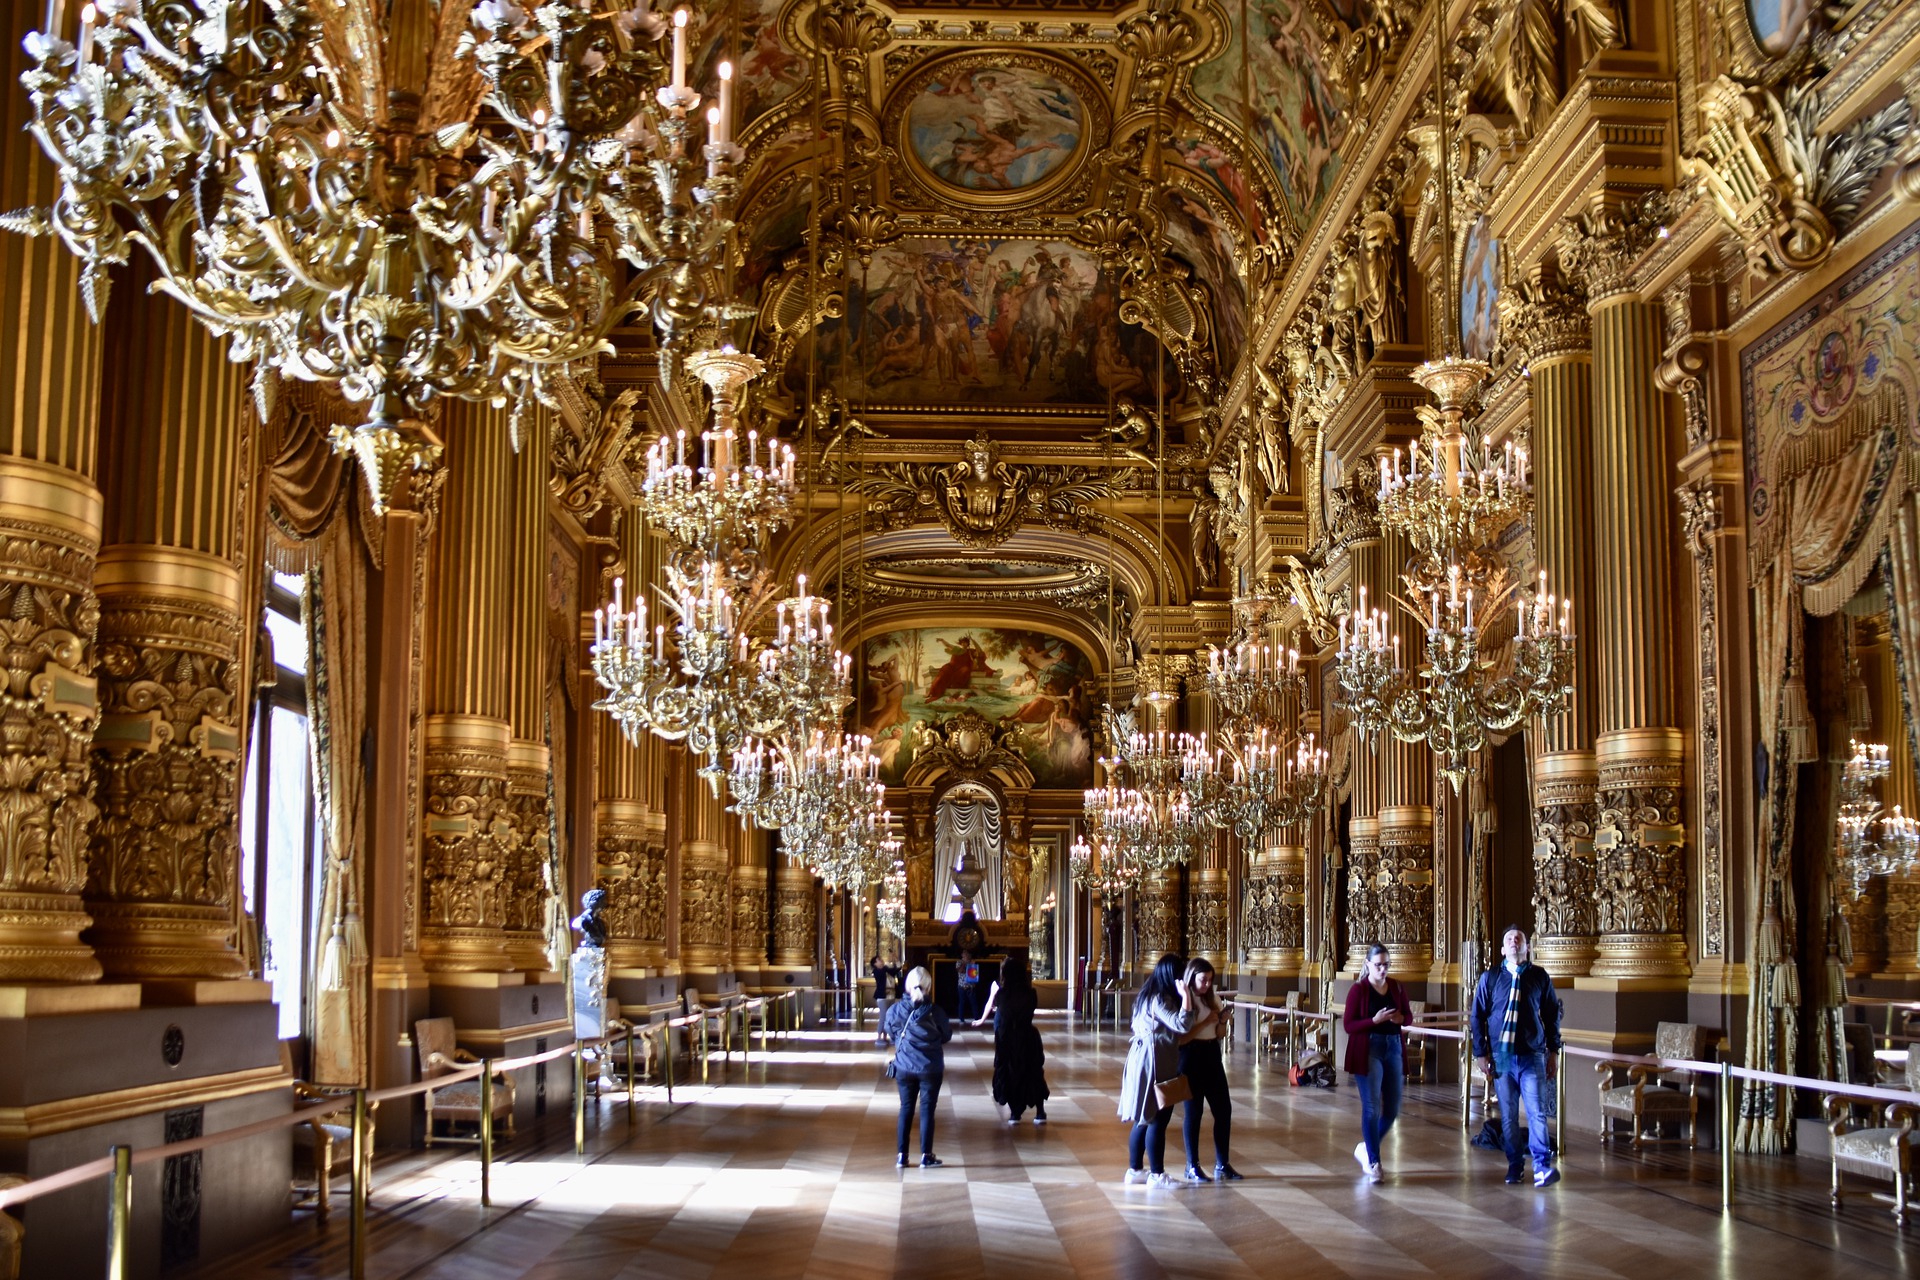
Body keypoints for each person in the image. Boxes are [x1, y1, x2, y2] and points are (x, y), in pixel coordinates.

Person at [1469, 924, 1564, 1187]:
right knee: (1509, 1115)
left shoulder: (1540, 977)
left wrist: (1553, 1051)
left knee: (1536, 1113)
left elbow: (1551, 1016)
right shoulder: (1490, 979)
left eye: (1519, 939)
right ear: (1502, 949)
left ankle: (1542, 1166)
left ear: (1527, 947)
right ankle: (1515, 1165)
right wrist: (1480, 1053)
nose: (1514, 942)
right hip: (1502, 1057)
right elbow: (1477, 1017)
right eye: (1509, 939)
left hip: (1532, 1055)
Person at [1118, 953, 1197, 1189]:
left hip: (1145, 1060)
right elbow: (1181, 1024)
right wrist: (1186, 998)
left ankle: (1135, 1170)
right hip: (1153, 1063)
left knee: (1143, 1119)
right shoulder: (1161, 999)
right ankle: (1157, 1175)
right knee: (1156, 1120)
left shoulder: (1148, 995)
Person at [1343, 942, 1413, 1182]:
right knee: (1371, 1107)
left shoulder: (1396, 987)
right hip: (1368, 1049)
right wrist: (1374, 1020)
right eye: (1378, 965)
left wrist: (1400, 1018)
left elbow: (1408, 1016)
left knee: (1392, 1110)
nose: (1382, 970)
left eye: (1386, 965)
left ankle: (1366, 1146)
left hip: (1392, 1047)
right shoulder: (1358, 990)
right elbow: (1349, 1025)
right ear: (1368, 965)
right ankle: (1374, 1162)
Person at [882, 966, 953, 1169]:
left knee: (905, 1109)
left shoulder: (895, 1010)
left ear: (906, 986)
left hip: (904, 1066)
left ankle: (902, 1156)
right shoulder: (936, 1012)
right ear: (929, 987)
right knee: (927, 1111)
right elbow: (946, 1036)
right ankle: (926, 1155)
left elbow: (891, 1031)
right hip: (930, 1068)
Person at [1177, 958, 1241, 1182]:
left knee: (1224, 1110)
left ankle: (1222, 1163)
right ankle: (1191, 1165)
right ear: (1192, 977)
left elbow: (1220, 1034)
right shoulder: (1184, 999)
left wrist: (1222, 1021)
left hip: (1212, 1055)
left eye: (1210, 980)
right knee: (1194, 1113)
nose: (1206, 985)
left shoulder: (1212, 998)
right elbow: (1181, 1038)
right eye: (1203, 980)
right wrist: (1205, 1024)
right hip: (1190, 1057)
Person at [976, 955, 1049, 1124]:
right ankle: (1040, 1111)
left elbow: (1003, 1016)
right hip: (1028, 1036)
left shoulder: (1002, 995)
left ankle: (1015, 1113)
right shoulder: (1031, 993)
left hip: (1008, 1038)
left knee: (1010, 1072)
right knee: (1034, 1072)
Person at [956, 949, 982, 1021]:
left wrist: (972, 965)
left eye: (967, 954)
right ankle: (961, 1018)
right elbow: (960, 971)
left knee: (973, 1002)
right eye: (965, 954)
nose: (966, 955)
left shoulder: (972, 962)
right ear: (962, 955)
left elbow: (974, 974)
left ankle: (976, 1018)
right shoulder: (959, 962)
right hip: (961, 985)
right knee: (962, 1002)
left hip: (971, 986)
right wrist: (965, 963)